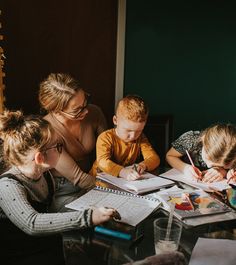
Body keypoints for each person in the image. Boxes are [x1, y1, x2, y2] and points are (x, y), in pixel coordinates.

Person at [0, 110, 118, 265]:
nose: (62, 150)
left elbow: (50, 212)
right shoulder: (7, 186)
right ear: (40, 158)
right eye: (58, 147)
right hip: (18, 254)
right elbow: (32, 223)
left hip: (44, 243)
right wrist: (88, 217)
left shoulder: (45, 175)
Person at [39, 73, 107, 211]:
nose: (86, 110)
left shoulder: (95, 113)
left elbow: (109, 149)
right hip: (65, 189)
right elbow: (79, 178)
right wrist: (116, 187)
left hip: (95, 177)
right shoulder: (46, 131)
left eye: (85, 102)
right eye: (77, 110)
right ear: (57, 111)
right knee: (82, 219)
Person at [91, 95, 160, 180]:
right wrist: (122, 172)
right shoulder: (105, 137)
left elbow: (154, 158)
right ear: (115, 120)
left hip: (121, 181)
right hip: (97, 181)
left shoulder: (141, 138)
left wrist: (143, 165)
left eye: (139, 131)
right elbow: (102, 162)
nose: (133, 136)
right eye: (128, 130)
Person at [166, 123, 236, 183]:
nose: (208, 166)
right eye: (208, 159)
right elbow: (170, 156)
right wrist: (185, 168)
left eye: (222, 165)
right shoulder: (191, 139)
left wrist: (227, 172)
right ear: (203, 141)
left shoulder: (232, 151)